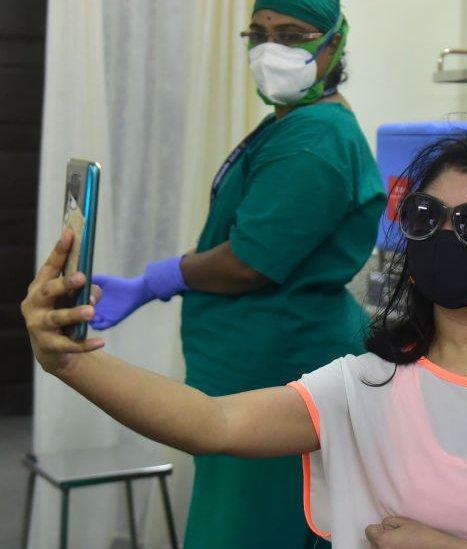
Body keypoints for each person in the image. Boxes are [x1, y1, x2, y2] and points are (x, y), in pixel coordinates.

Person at [22, 135, 467, 549]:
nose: (443, 235)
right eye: (424, 217)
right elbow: (211, 423)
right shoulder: (366, 387)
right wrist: (68, 360)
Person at [86, 0, 386, 546]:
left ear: (334, 45)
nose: (271, 49)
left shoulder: (316, 138)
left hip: (280, 360)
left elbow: (251, 262)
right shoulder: (294, 124)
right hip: (256, 357)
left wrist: (161, 279)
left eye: (293, 34)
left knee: (254, 525)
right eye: (259, 33)